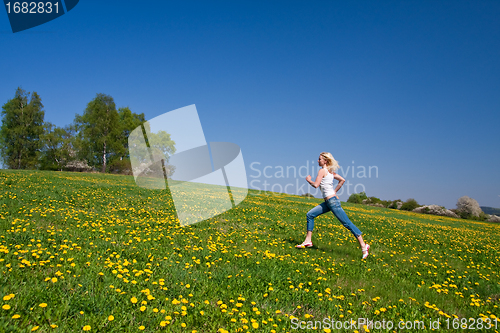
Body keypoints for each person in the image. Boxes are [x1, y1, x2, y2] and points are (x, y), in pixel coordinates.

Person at [296, 152, 370, 259]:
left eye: (319, 159)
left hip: (332, 202)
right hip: (329, 202)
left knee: (347, 223)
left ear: (325, 161)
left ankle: (364, 246)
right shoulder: (331, 172)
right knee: (310, 214)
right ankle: (308, 241)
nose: (318, 161)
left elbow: (316, 185)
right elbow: (342, 180)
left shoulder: (322, 171)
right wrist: (334, 191)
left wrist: (308, 180)